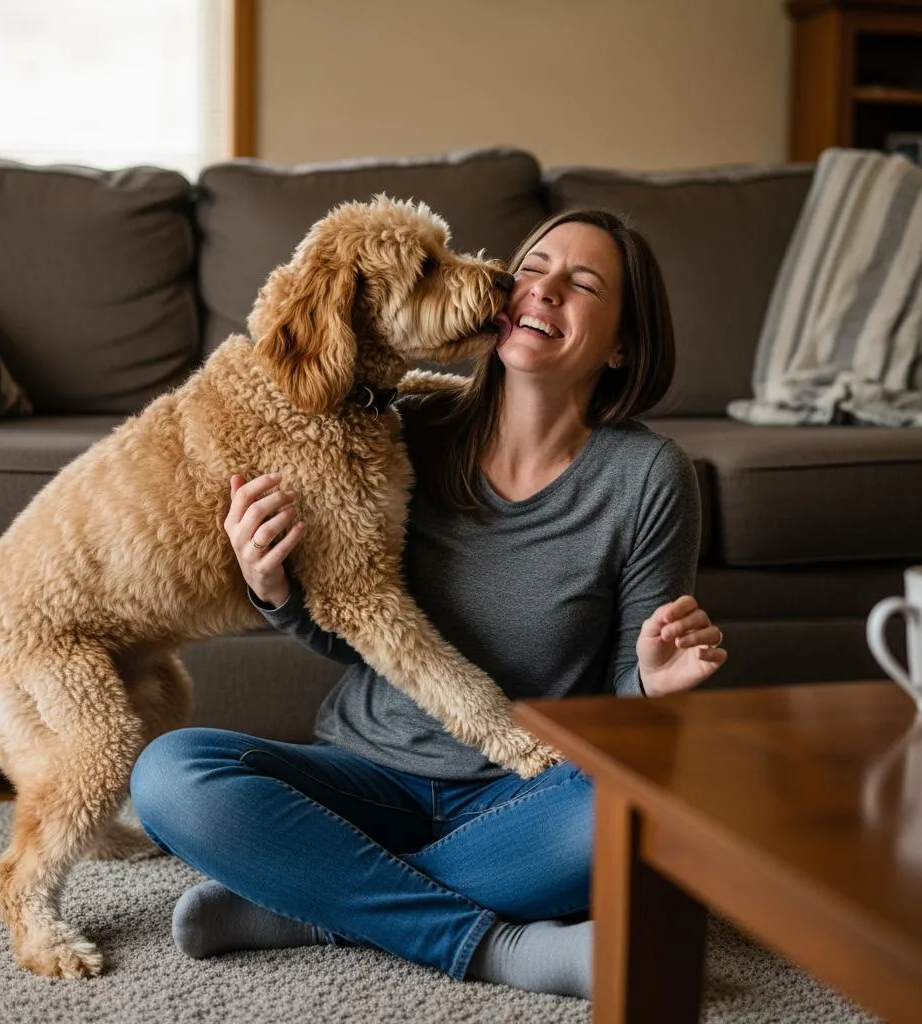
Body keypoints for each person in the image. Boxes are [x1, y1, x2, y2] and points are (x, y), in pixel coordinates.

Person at [130, 208, 728, 1000]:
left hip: (527, 792)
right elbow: (354, 630)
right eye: (534, 266)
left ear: (621, 344)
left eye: (581, 285)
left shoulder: (649, 475)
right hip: (365, 777)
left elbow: (627, 707)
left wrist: (651, 679)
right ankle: (497, 947)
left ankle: (312, 906)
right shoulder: (401, 426)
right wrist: (271, 587)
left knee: (653, 805)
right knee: (169, 772)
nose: (540, 288)